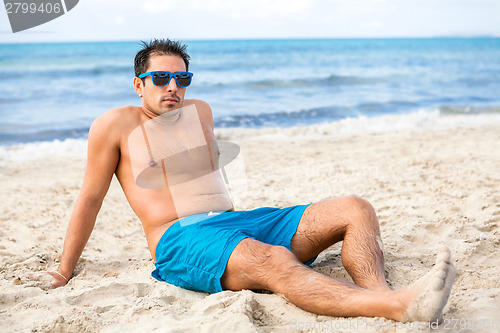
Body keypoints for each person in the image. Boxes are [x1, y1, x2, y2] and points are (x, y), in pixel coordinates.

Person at [48, 38, 456, 322]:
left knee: (355, 209)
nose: (173, 87)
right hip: (178, 240)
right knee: (274, 259)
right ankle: (397, 308)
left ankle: (382, 292)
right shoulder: (114, 125)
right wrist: (65, 271)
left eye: (182, 79)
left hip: (235, 222)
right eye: (161, 79)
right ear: (138, 83)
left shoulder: (200, 111)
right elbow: (90, 199)